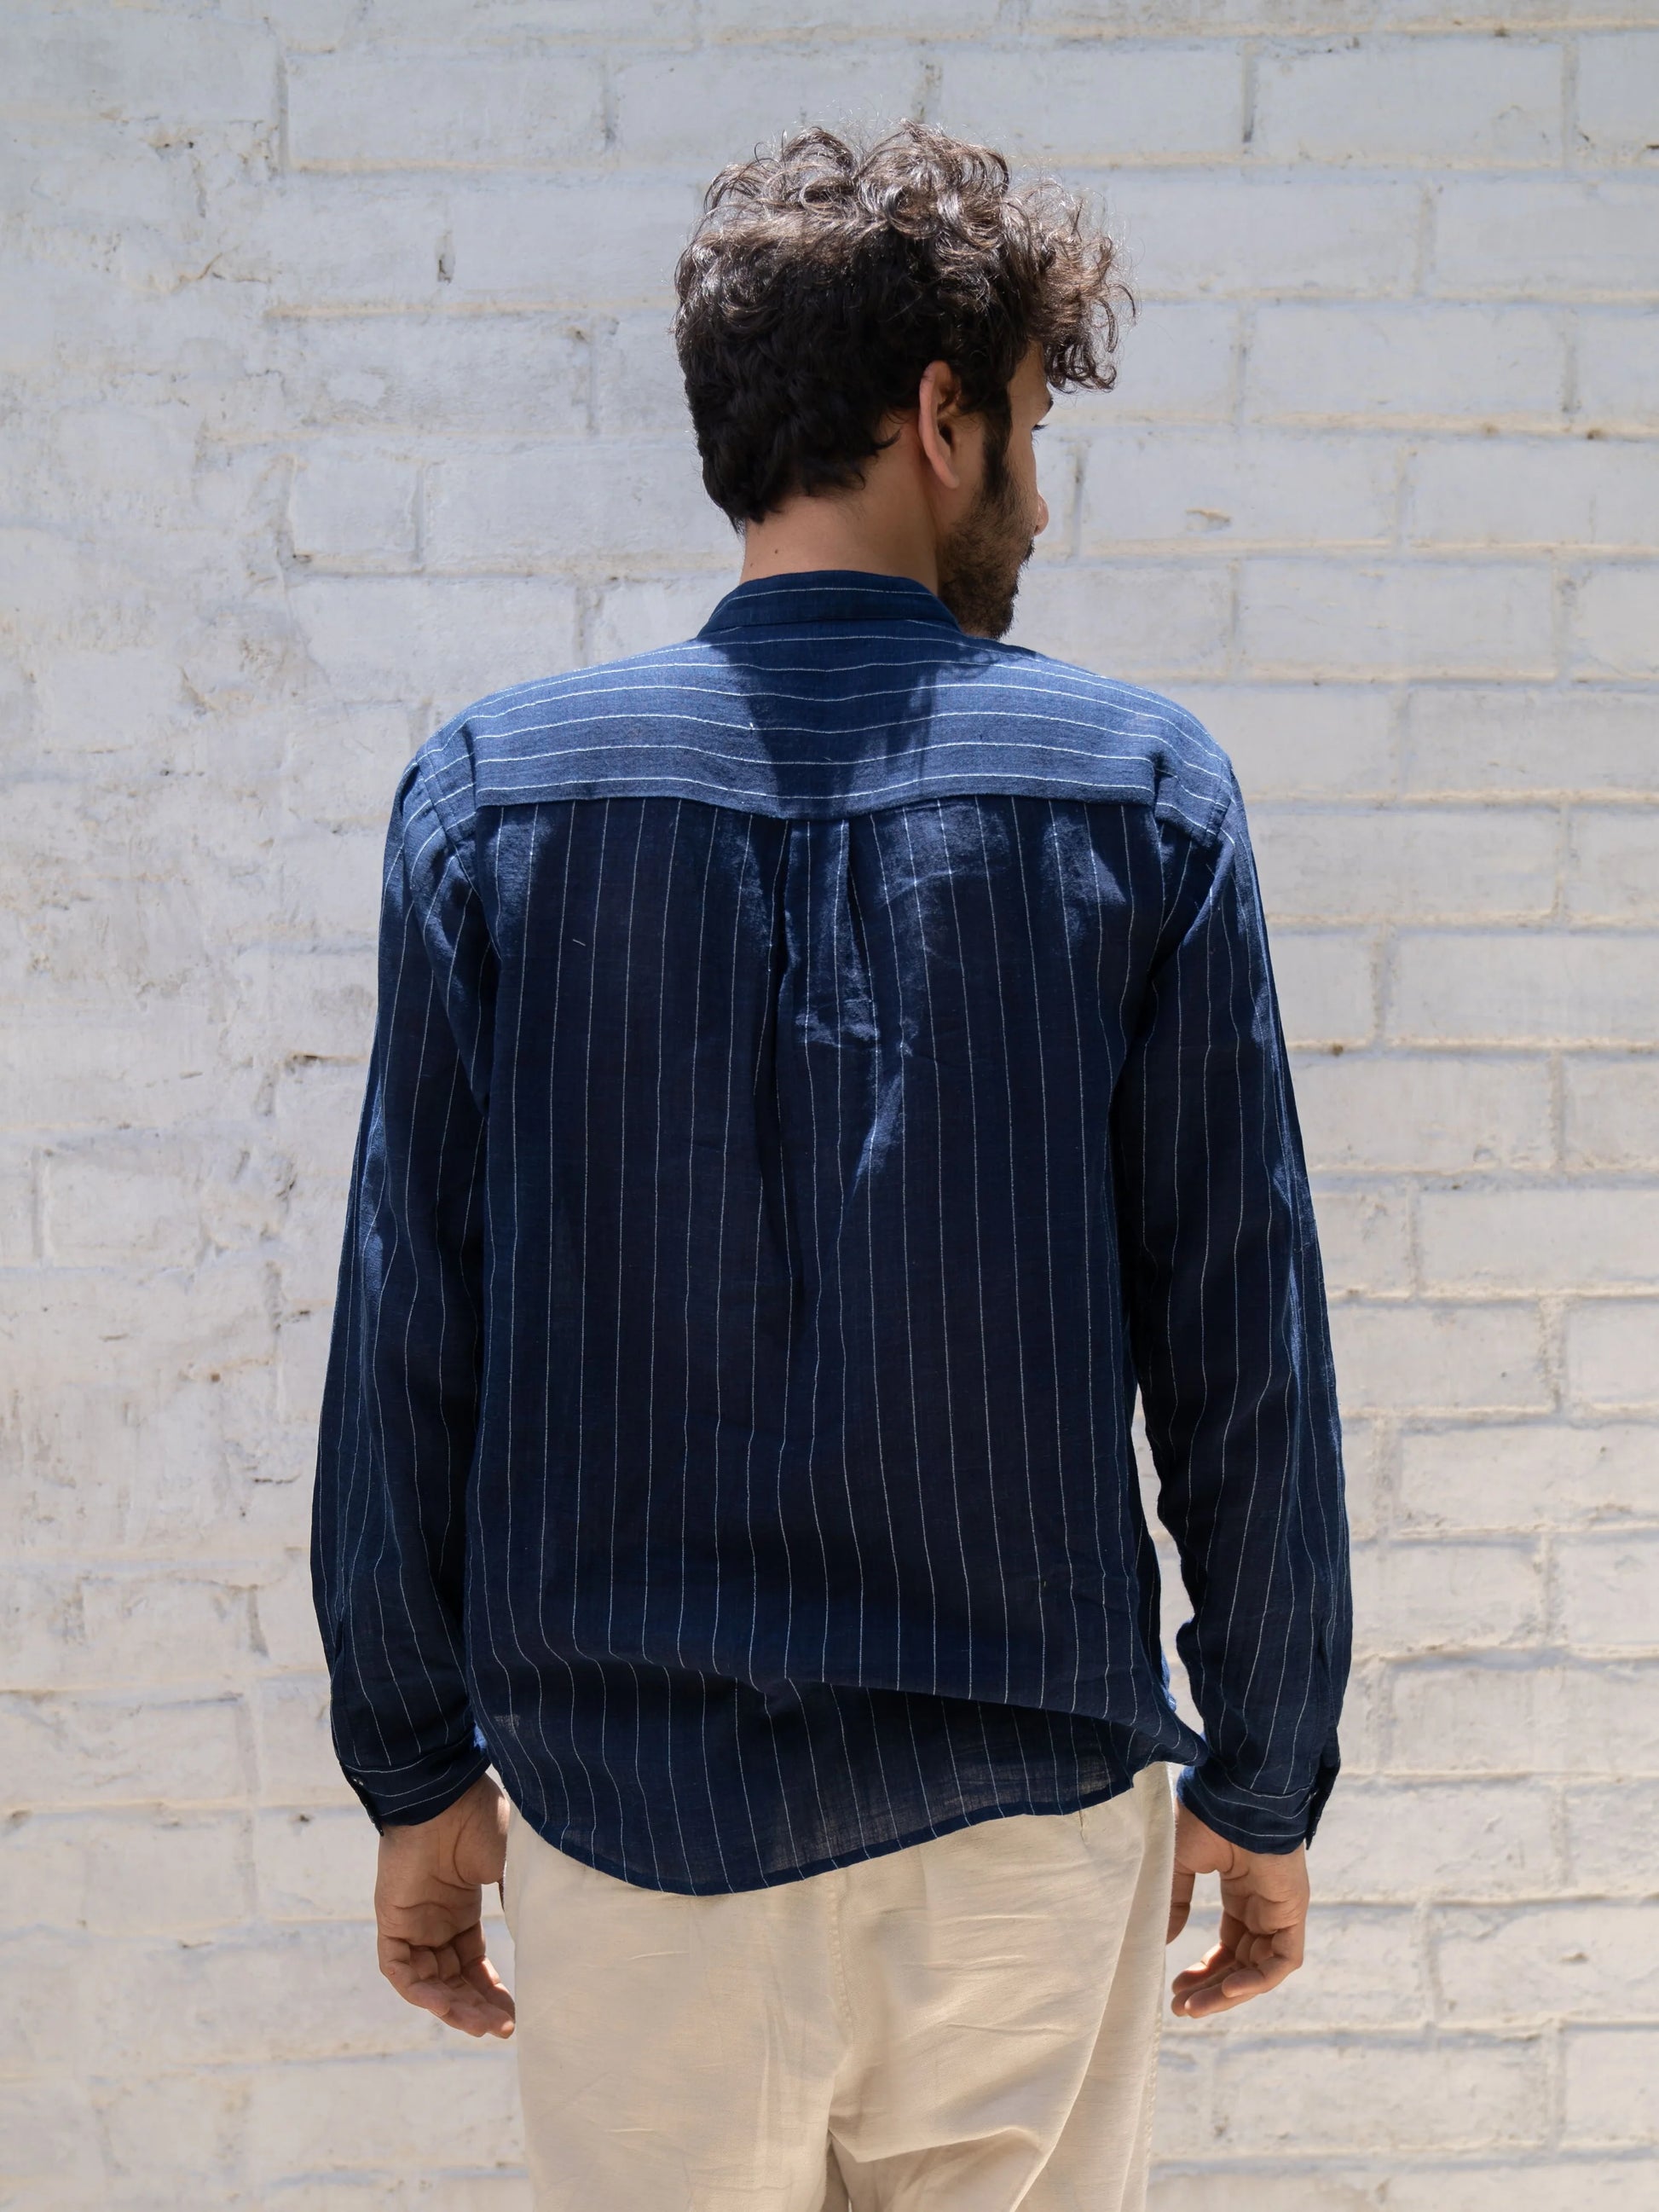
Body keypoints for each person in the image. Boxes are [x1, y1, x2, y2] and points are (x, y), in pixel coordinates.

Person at [310, 119, 1351, 2212]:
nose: (1038, 494)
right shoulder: (1137, 795)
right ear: (939, 417)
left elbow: (407, 1328)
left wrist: (414, 1771)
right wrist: (1264, 1760)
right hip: (1019, 1849)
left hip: (633, 1845)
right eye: (1034, 425)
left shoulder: (497, 800)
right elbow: (1241, 1337)